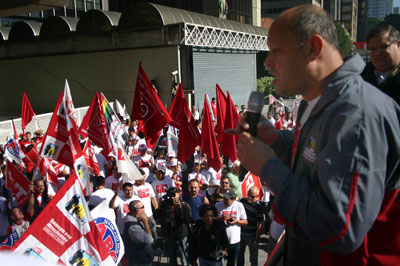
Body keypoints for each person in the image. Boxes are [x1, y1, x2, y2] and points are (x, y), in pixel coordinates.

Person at [230, 4, 400, 265]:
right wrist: (276, 140)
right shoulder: (316, 101)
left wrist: (267, 166)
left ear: (313, 48)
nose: (267, 61)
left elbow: (340, 229)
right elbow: (313, 157)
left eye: (277, 51)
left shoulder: (356, 115)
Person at [361, 23, 400, 105]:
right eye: (372, 49)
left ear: (398, 45)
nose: (377, 53)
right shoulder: (359, 76)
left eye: (383, 47)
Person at [155, 187, 192, 266]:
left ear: (178, 194)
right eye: (170, 195)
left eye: (173, 195)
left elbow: (187, 219)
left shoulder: (184, 205)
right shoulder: (165, 204)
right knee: (172, 256)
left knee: (183, 256)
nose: (172, 198)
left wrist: (180, 207)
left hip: (180, 234)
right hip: (169, 234)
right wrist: (159, 207)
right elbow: (157, 217)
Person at [215, 189, 247, 266]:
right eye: (224, 198)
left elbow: (245, 222)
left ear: (233, 199)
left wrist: (237, 221)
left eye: (227, 199)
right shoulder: (217, 205)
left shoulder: (239, 205)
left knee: (231, 263)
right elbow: (212, 220)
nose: (225, 200)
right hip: (221, 242)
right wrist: (219, 219)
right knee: (218, 262)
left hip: (234, 241)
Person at [237, 187, 264, 266]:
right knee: (240, 255)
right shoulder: (242, 201)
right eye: (248, 195)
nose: (249, 197)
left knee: (253, 257)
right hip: (241, 234)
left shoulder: (259, 208)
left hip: (251, 237)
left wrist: (256, 240)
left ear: (257, 196)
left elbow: (260, 225)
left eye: (252, 196)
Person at [122, 200, 154, 266]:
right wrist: (145, 223)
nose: (144, 209)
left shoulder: (136, 220)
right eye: (142, 207)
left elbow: (151, 225)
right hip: (140, 260)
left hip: (144, 258)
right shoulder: (133, 227)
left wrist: (146, 220)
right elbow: (150, 240)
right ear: (137, 211)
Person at [132, 169, 158, 239]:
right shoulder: (133, 188)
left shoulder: (148, 185)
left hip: (149, 214)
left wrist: (157, 209)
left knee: (153, 231)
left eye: (144, 177)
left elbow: (153, 198)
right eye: (141, 178)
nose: (143, 179)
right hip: (139, 216)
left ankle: (156, 246)